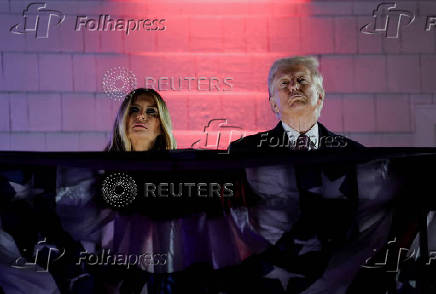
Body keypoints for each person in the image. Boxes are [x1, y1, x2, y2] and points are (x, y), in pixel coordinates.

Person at [229, 56, 362, 152]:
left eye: (302, 80)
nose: (293, 87)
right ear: (274, 104)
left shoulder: (354, 152)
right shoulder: (243, 151)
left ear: (320, 96)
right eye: (284, 83)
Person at [105, 88, 176, 152]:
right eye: (134, 110)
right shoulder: (102, 164)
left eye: (151, 111)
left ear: (162, 126)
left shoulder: (177, 165)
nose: (141, 116)